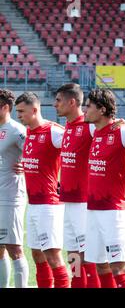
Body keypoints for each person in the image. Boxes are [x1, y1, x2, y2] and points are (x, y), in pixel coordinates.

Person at [15, 92, 69, 288]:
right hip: (35, 203)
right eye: (17, 111)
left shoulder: (54, 131)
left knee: (53, 255)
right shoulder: (29, 131)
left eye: (21, 111)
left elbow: (77, 152)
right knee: (37, 254)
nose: (18, 115)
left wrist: (66, 181)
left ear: (34, 109)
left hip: (49, 205)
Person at [83, 89, 125, 288]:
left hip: (113, 211)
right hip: (94, 209)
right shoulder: (96, 131)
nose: (85, 110)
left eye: (89, 106)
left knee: (118, 267)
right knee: (100, 266)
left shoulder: (121, 131)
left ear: (102, 109)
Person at [53, 83, 101, 288]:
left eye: (58, 100)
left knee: (87, 253)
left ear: (72, 102)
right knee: (73, 252)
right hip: (67, 200)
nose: (55, 104)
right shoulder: (67, 128)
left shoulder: (89, 125)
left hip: (84, 202)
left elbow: (115, 130)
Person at [0, 89, 29, 288]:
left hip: (11, 197)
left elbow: (37, 153)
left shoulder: (16, 130)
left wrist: (26, 165)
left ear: (5, 107)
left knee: (14, 248)